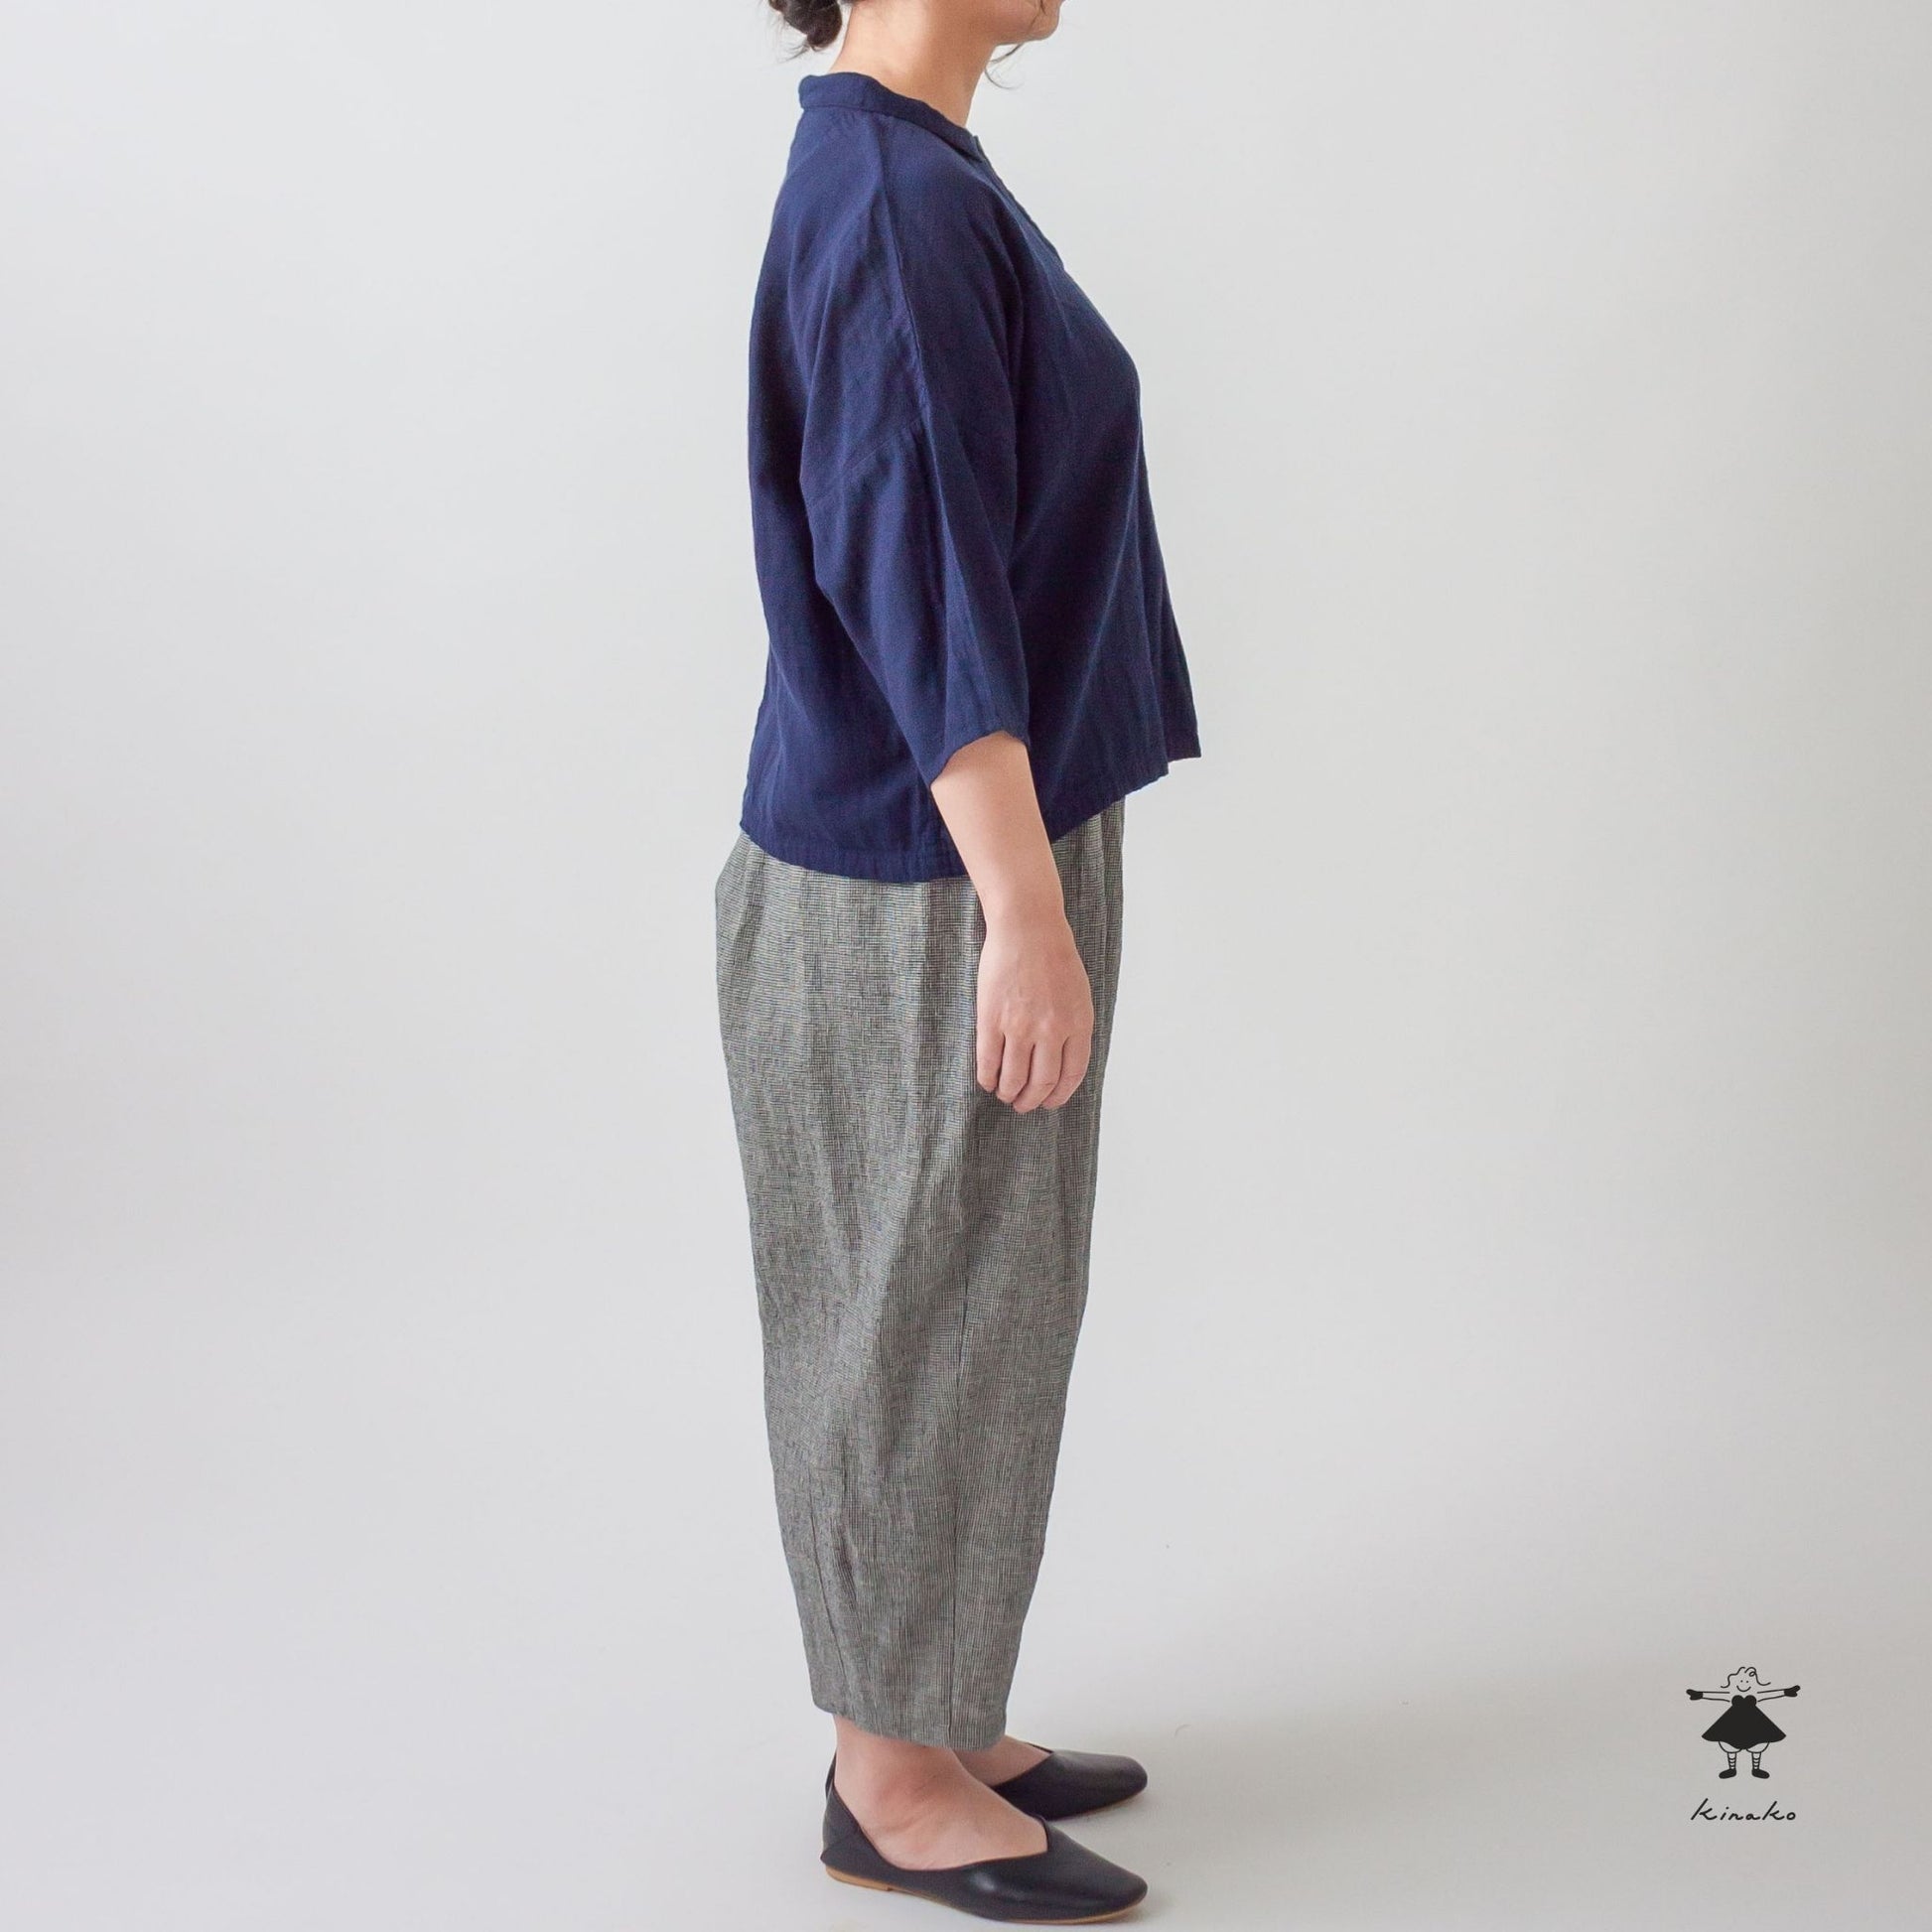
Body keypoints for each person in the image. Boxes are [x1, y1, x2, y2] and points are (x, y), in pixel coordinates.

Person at [715, 1, 1202, 1918]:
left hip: (964, 852)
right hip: (922, 883)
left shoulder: (917, 172)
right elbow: (908, 558)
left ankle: (931, 1707)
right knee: (906, 1322)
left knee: (975, 1307)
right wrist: (1021, 909)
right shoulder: (885, 196)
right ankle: (888, 1778)